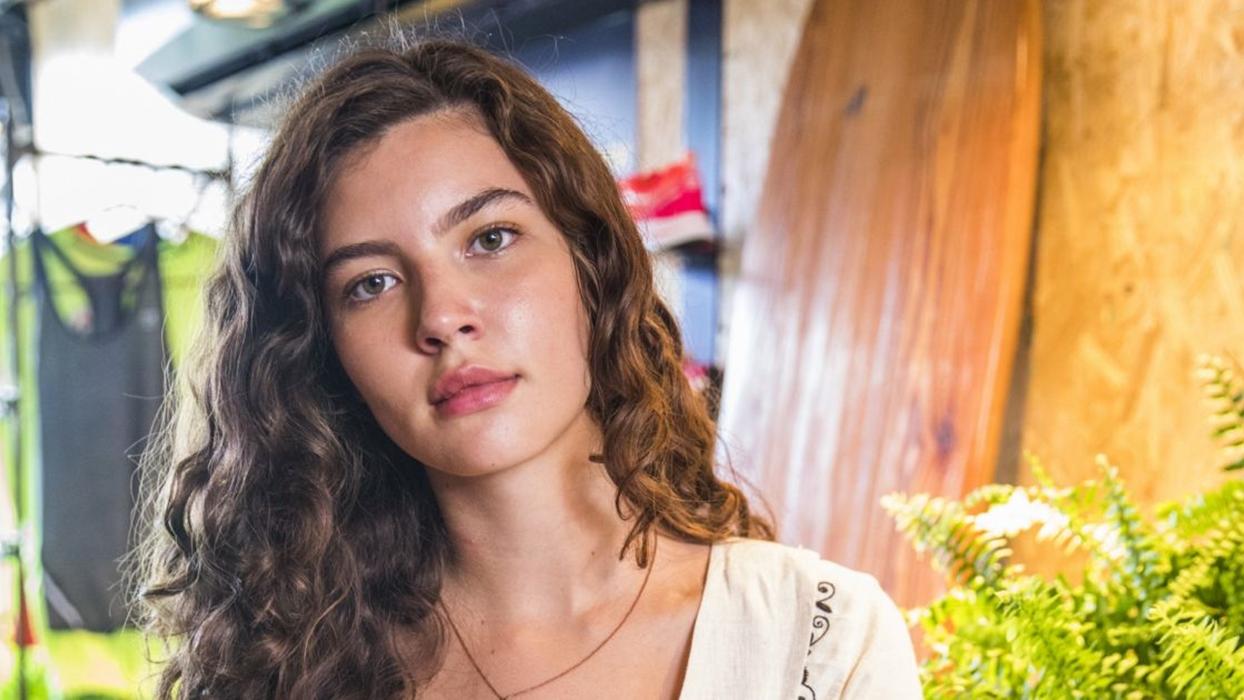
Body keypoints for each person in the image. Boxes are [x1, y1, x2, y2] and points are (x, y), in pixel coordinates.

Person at [129, 36, 922, 699]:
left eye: (490, 239)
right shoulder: (289, 668)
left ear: (591, 262)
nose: (442, 315)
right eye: (371, 283)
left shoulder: (819, 640)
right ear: (323, 355)